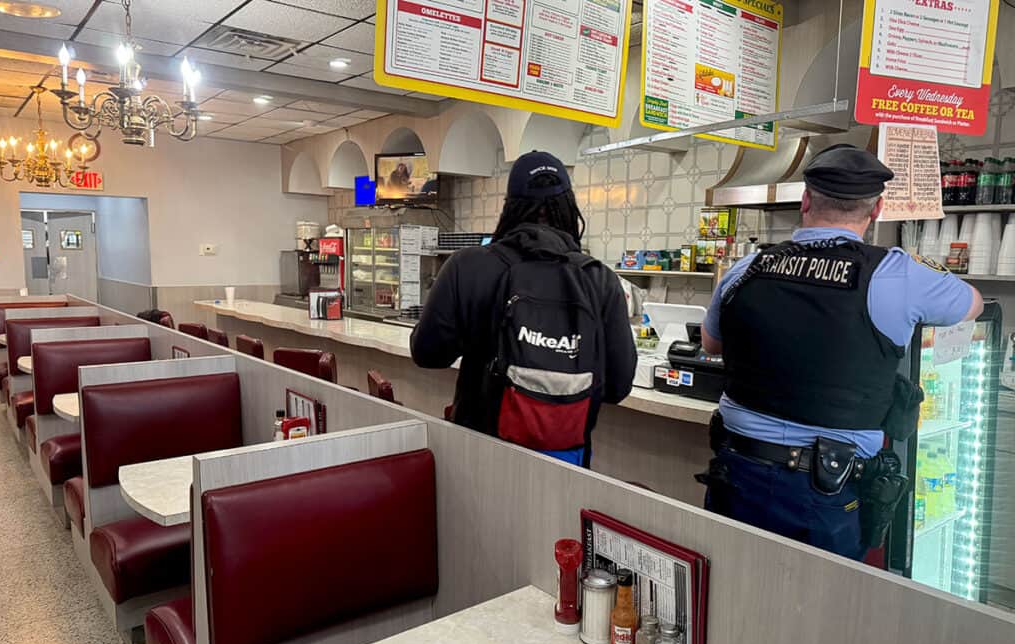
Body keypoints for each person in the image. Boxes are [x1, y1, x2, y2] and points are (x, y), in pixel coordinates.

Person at [698, 144, 984, 561]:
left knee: (726, 600)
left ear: (806, 201)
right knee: (821, 617)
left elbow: (711, 344)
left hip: (737, 471)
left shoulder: (748, 268)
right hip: (825, 488)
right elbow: (973, 304)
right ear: (877, 209)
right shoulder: (895, 273)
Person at [410, 150, 636, 466]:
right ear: (569, 206)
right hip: (566, 465)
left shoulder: (467, 265)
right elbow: (617, 386)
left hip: (479, 456)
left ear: (510, 205)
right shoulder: (599, 280)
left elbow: (427, 354)